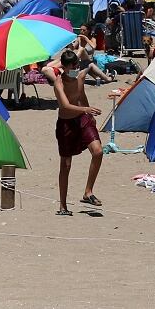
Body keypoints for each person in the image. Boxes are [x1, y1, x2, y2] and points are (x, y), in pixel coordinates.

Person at [47, 47, 103, 216]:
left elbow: (81, 96)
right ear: (66, 67)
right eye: (74, 66)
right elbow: (65, 105)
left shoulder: (79, 77)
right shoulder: (58, 82)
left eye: (77, 65)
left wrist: (89, 114)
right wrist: (86, 109)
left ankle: (88, 192)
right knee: (66, 165)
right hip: (66, 124)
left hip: (82, 119)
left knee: (98, 151)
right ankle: (63, 206)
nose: (76, 69)